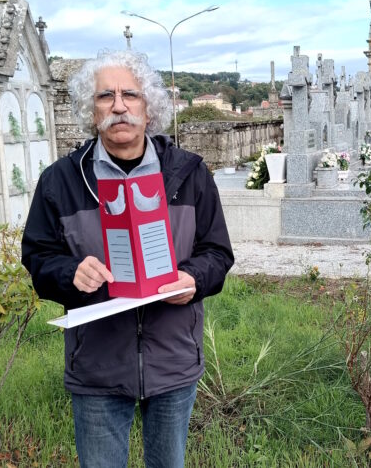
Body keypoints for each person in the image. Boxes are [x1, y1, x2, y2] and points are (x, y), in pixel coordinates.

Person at [21, 49, 233, 468]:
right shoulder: (60, 181)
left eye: (130, 94)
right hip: (97, 366)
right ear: (90, 108)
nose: (119, 106)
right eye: (105, 96)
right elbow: (38, 257)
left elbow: (218, 252)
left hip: (173, 359)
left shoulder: (190, 174)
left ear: (148, 107)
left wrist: (191, 279)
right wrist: (69, 273)